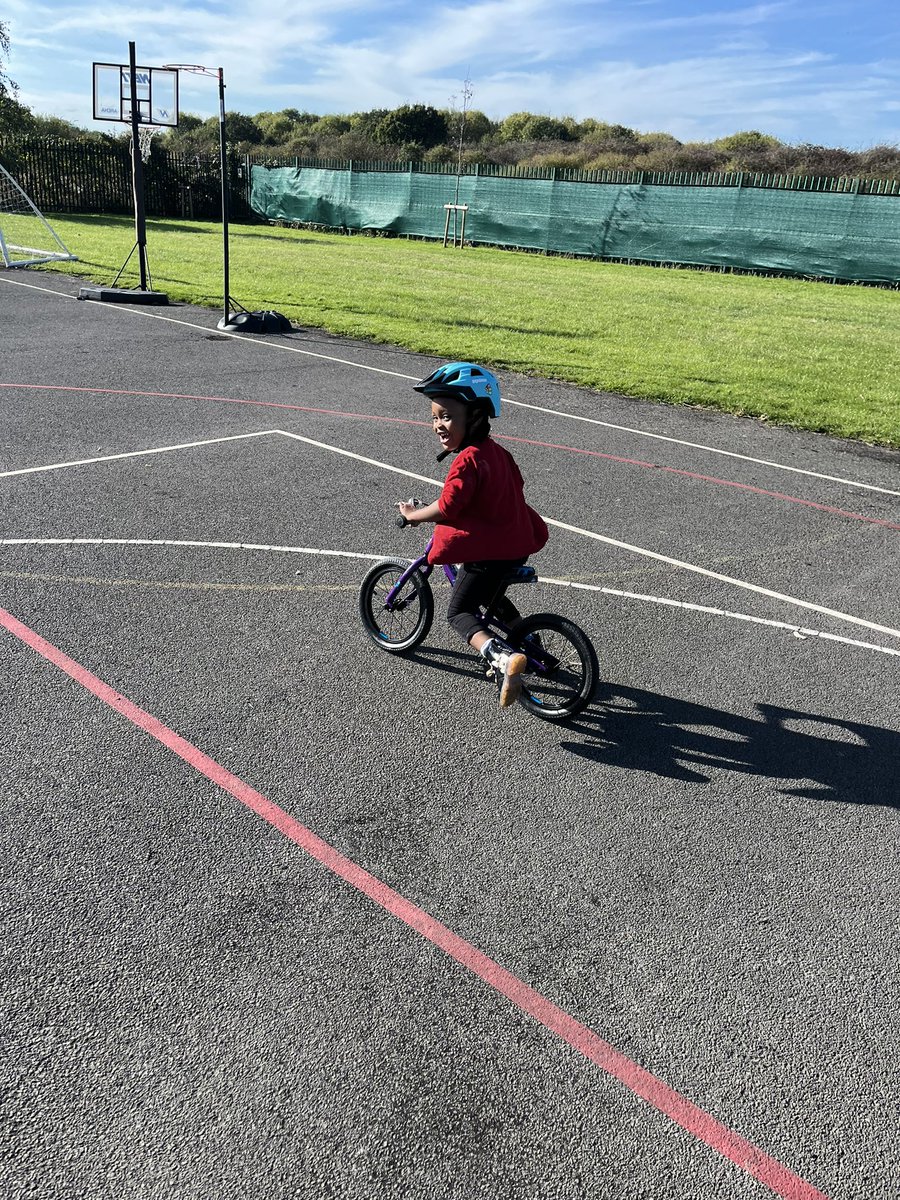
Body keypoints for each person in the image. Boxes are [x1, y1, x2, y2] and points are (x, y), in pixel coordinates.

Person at [398, 362, 549, 708]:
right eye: (435, 416)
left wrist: (414, 515)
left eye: (447, 416)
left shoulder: (466, 460)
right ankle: (531, 643)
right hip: (515, 544)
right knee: (490, 594)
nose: (438, 425)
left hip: (489, 552)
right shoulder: (498, 454)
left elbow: (449, 507)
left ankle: (500, 658)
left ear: (476, 416)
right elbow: (490, 495)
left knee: (460, 611)